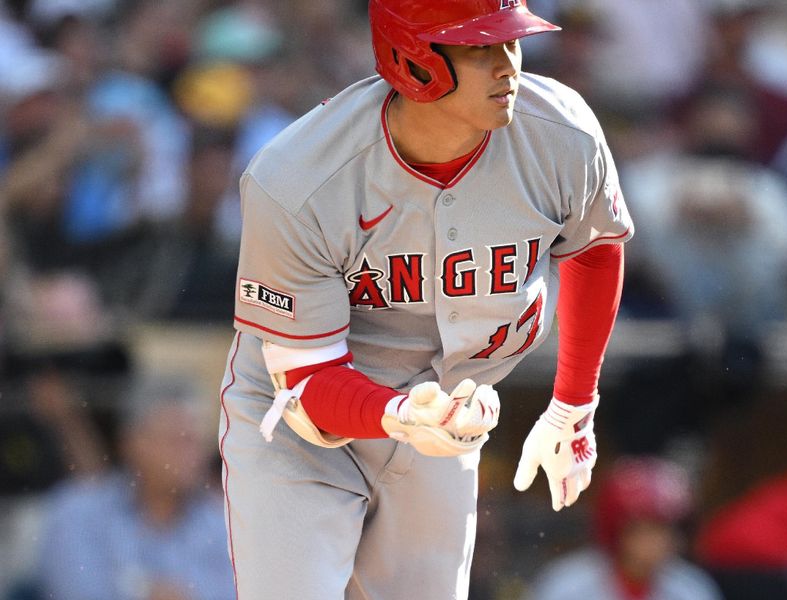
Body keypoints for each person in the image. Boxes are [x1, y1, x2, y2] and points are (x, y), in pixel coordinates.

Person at [218, 1, 633, 598]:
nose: (507, 66)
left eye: (511, 43)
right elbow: (307, 380)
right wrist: (401, 416)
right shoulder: (298, 179)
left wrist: (573, 404)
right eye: (479, 47)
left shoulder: (561, 132)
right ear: (412, 58)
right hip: (302, 424)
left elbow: (595, 249)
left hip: (448, 406)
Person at [35, 375, 234, 600]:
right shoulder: (76, 513)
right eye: (178, 440)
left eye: (197, 441)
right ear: (132, 443)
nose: (193, 455)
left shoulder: (225, 524)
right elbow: (73, 591)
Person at [523, 456, 723, 600]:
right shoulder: (567, 585)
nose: (661, 541)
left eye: (667, 529)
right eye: (647, 529)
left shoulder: (691, 589)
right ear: (616, 529)